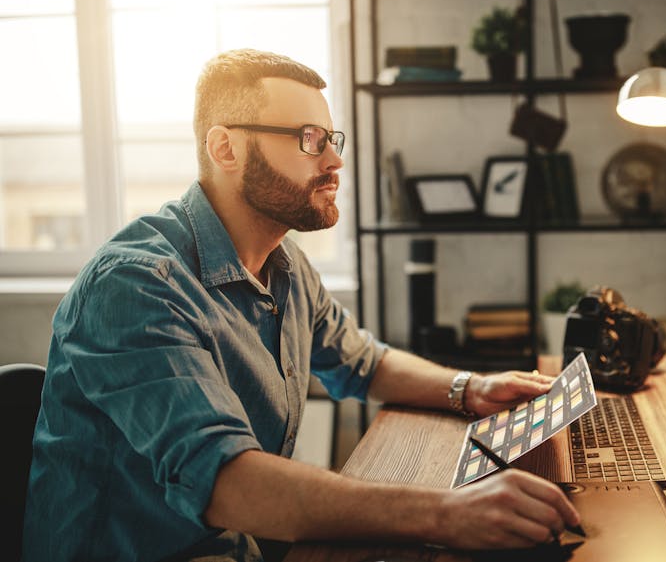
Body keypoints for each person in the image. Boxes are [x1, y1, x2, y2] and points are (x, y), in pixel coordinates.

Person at [23, 49, 580, 561]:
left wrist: (468, 387)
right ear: (226, 149)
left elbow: (362, 363)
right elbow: (226, 483)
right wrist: (445, 513)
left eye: (332, 138)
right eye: (310, 139)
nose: (335, 160)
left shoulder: (283, 262)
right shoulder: (136, 284)